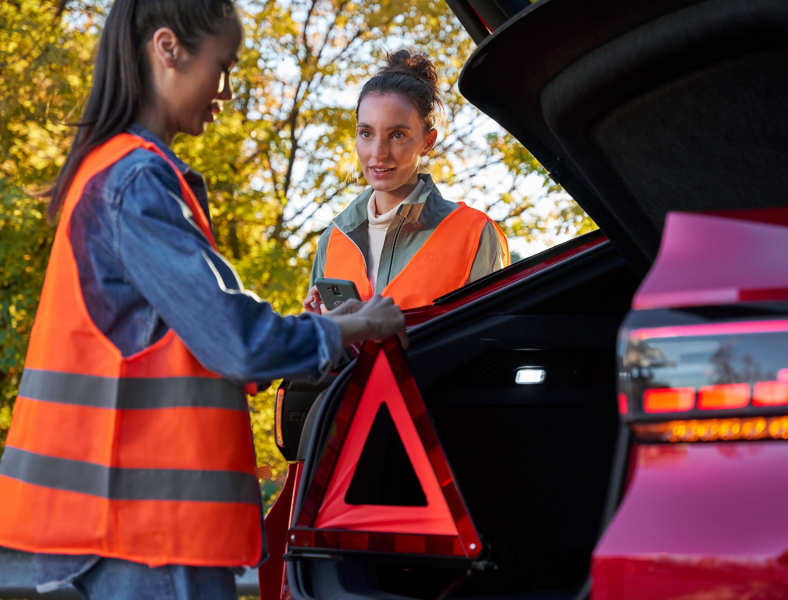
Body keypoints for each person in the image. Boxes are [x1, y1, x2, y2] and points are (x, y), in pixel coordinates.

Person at [0, 0, 405, 598]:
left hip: (128, 528)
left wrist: (322, 330)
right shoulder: (136, 183)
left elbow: (197, 346)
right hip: (148, 530)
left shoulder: (115, 174)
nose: (227, 89)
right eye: (223, 65)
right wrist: (356, 327)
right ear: (168, 49)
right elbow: (236, 342)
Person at [304, 50, 509, 315]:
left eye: (397, 135)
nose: (378, 152)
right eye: (366, 133)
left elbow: (490, 340)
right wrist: (317, 328)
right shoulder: (332, 240)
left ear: (428, 142)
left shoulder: (474, 233)